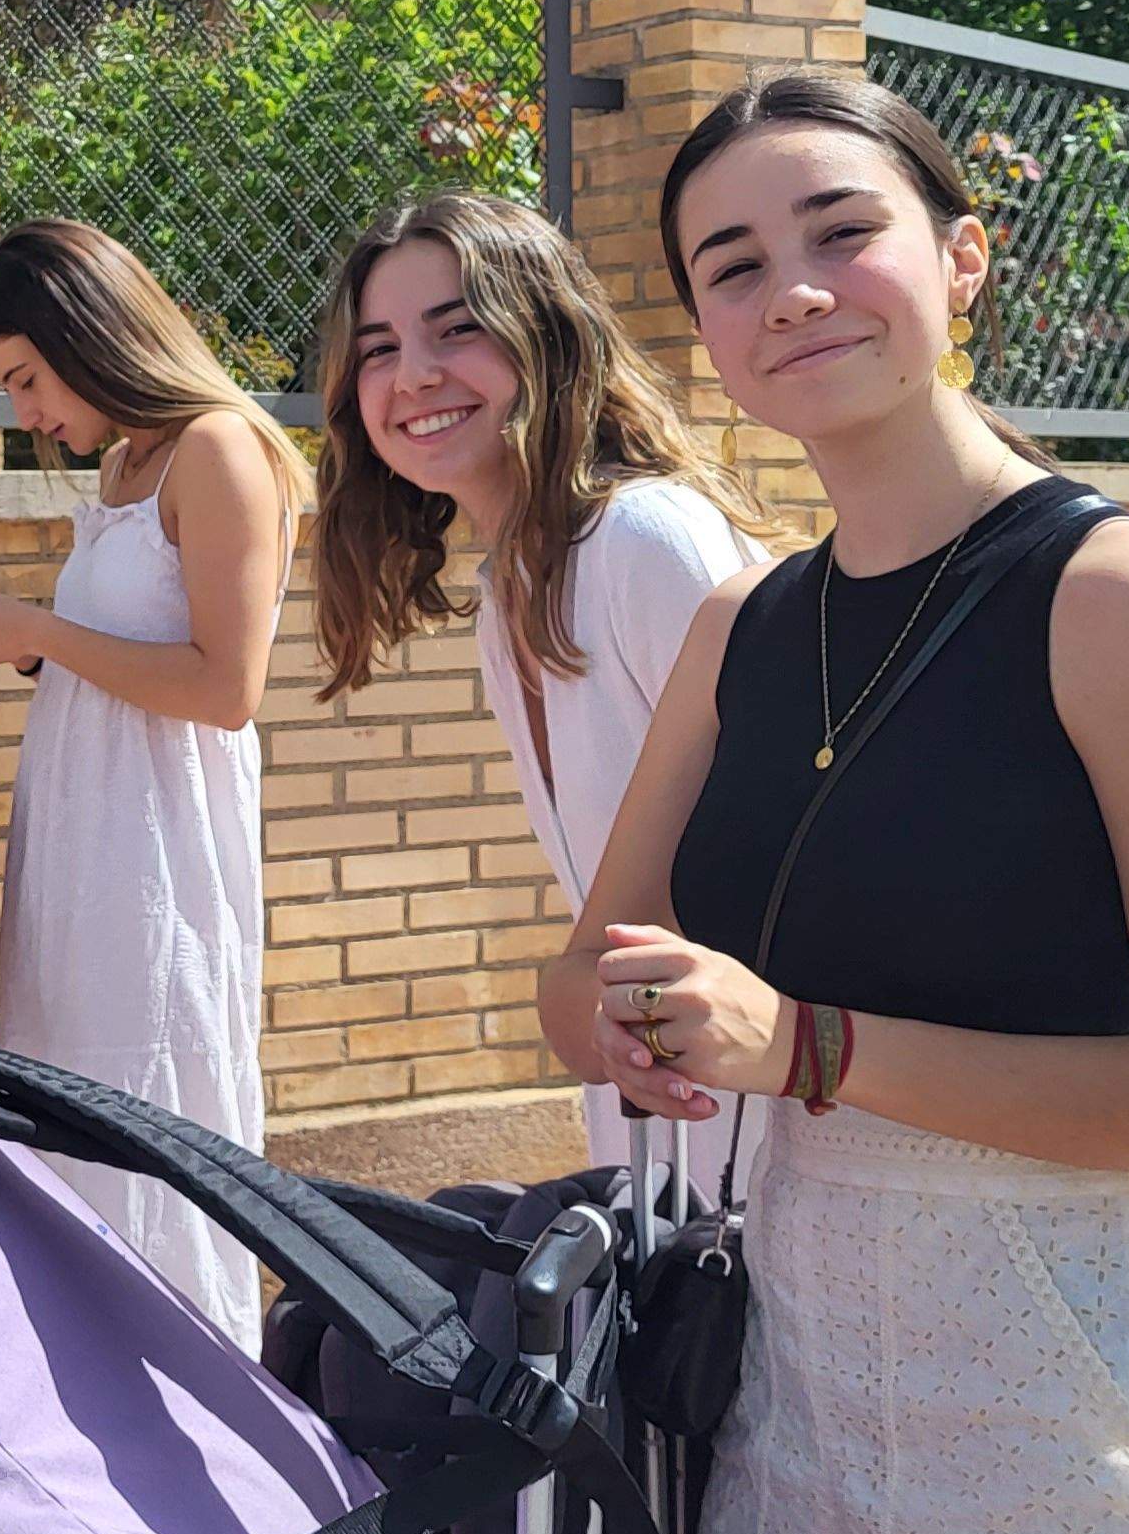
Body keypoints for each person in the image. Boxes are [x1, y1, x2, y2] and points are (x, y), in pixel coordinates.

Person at [546, 70, 1129, 1534]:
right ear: (705, 332)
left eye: (842, 234)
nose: (797, 293)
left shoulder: (1119, 598)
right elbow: (588, 973)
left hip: (1072, 1392)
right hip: (795, 1382)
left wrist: (810, 1047)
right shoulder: (738, 626)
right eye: (735, 268)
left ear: (962, 261)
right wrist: (622, 1019)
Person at [305, 190, 779, 1170]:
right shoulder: (513, 580)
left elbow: (785, 842)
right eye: (379, 348)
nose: (414, 375)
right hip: (655, 1093)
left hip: (766, 1109)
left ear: (547, 338)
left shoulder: (645, 537)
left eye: (457, 329)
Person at [0, 217, 306, 1351]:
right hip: (85, 841)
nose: (24, 413)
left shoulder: (217, 449)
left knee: (156, 1089)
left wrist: (38, 625)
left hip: (157, 851)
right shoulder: (129, 463)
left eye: (26, 378)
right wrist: (23, 642)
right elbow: (129, 653)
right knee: (74, 1087)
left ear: (90, 336)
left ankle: (197, 1388)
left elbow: (226, 687)